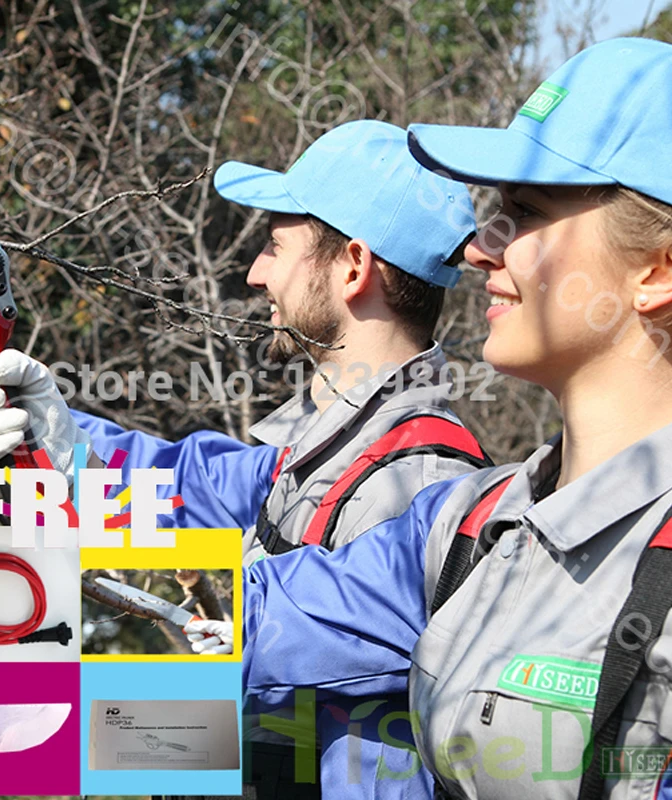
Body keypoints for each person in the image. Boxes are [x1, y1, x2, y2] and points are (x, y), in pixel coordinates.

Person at [0, 120, 487, 798]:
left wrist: (16, 735)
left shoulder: (415, 483)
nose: (256, 273)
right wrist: (43, 432)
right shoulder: (325, 450)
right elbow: (180, 490)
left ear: (354, 267)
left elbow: (293, 725)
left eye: (275, 246)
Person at [239, 36, 672, 799]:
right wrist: (23, 719)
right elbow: (235, 629)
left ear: (657, 271)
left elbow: (338, 759)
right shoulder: (463, 526)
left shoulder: (417, 479)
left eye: (525, 212)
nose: (479, 249)